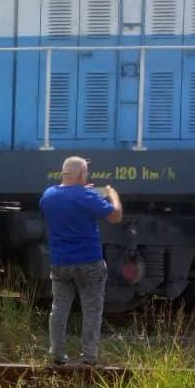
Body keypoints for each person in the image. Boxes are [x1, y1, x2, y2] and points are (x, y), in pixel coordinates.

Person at [40, 156, 123, 366]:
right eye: (85, 173)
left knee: (59, 309)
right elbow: (115, 216)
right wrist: (112, 195)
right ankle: (88, 357)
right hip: (89, 262)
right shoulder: (87, 195)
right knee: (91, 310)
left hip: (60, 263)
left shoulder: (48, 196)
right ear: (81, 175)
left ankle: (57, 355)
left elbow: (68, 200)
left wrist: (82, 190)